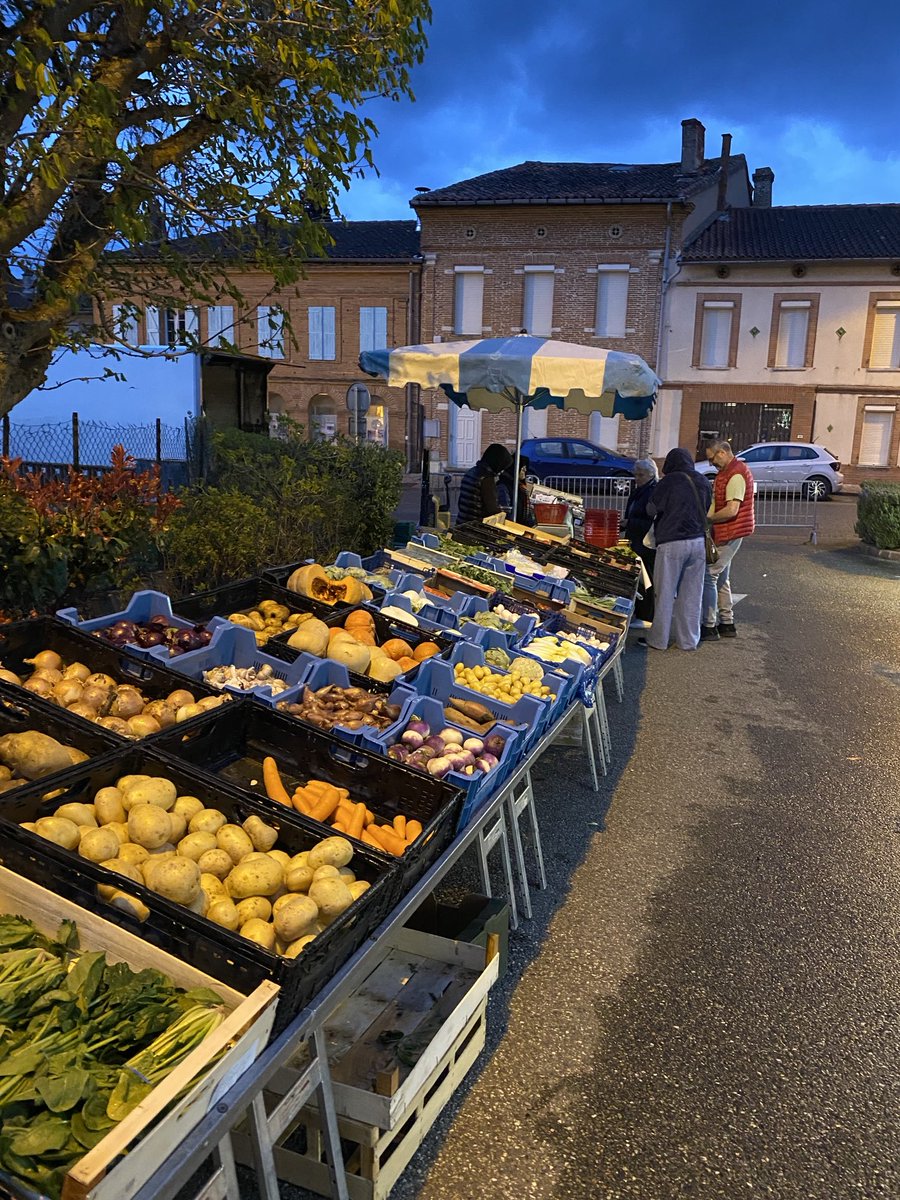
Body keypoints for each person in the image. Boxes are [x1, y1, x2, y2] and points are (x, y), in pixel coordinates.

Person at [642, 447, 712, 652]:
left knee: (664, 593)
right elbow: (707, 508)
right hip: (698, 541)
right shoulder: (703, 481)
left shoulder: (668, 482)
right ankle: (688, 640)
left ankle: (659, 639)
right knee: (692, 594)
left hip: (671, 542)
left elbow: (652, 509)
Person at [701, 439, 755, 640]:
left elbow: (731, 510)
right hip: (729, 531)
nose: (711, 464)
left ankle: (708, 625)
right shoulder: (728, 473)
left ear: (722, 452)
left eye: (712, 459)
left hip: (730, 532)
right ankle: (727, 623)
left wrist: (707, 519)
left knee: (710, 575)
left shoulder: (736, 474)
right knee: (722, 578)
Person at [623, 458, 659, 621]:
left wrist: (630, 522)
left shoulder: (653, 492)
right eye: (635, 475)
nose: (637, 478)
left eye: (641, 475)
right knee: (639, 579)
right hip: (636, 540)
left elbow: (652, 521)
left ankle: (647, 616)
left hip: (646, 543)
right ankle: (640, 612)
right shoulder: (640, 490)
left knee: (647, 581)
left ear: (650, 475)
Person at [455, 442, 513, 524]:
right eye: (502, 467)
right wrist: (504, 514)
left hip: (462, 521)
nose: (501, 471)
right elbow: (491, 509)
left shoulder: (471, 471)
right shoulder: (486, 479)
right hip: (474, 527)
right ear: (497, 463)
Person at [497, 455, 535, 525]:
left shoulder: (520, 486)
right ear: (515, 469)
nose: (525, 470)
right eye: (523, 468)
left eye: (526, 468)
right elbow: (506, 512)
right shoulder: (503, 487)